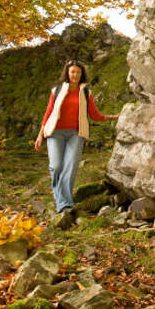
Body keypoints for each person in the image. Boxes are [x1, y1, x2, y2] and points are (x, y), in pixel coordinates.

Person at [34, 59, 118, 222]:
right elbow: (48, 113)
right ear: (67, 73)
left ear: (82, 75)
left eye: (78, 72)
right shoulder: (57, 90)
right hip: (55, 133)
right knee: (56, 166)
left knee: (71, 166)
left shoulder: (86, 92)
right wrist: (40, 135)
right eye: (72, 72)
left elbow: (94, 115)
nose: (75, 75)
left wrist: (113, 116)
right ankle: (62, 199)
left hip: (76, 133)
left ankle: (64, 204)